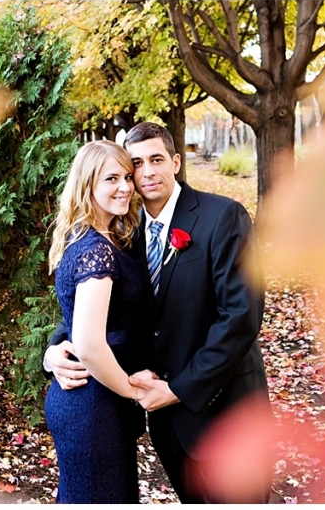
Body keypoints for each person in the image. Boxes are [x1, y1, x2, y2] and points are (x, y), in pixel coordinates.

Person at [45, 122, 272, 503]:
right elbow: (99, 307)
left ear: (176, 163)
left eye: (157, 159)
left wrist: (177, 390)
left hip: (224, 408)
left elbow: (240, 315)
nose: (147, 172)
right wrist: (54, 350)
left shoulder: (223, 217)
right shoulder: (124, 232)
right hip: (168, 423)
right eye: (137, 164)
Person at [43, 140, 149, 503]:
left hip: (97, 398)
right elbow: (88, 344)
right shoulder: (97, 251)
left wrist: (51, 352)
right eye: (111, 179)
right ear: (87, 184)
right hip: (93, 404)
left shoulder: (98, 237)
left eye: (127, 177)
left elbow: (75, 319)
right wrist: (134, 392)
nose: (125, 187)